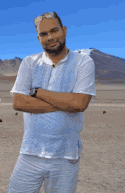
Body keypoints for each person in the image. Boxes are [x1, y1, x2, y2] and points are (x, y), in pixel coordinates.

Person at [8, 12, 96, 193]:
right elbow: (18, 102)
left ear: (64, 30)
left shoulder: (83, 62)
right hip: (29, 153)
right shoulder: (29, 63)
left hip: (66, 156)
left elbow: (80, 104)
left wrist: (37, 92)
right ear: (38, 38)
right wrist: (67, 102)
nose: (50, 37)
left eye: (54, 31)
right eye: (43, 34)